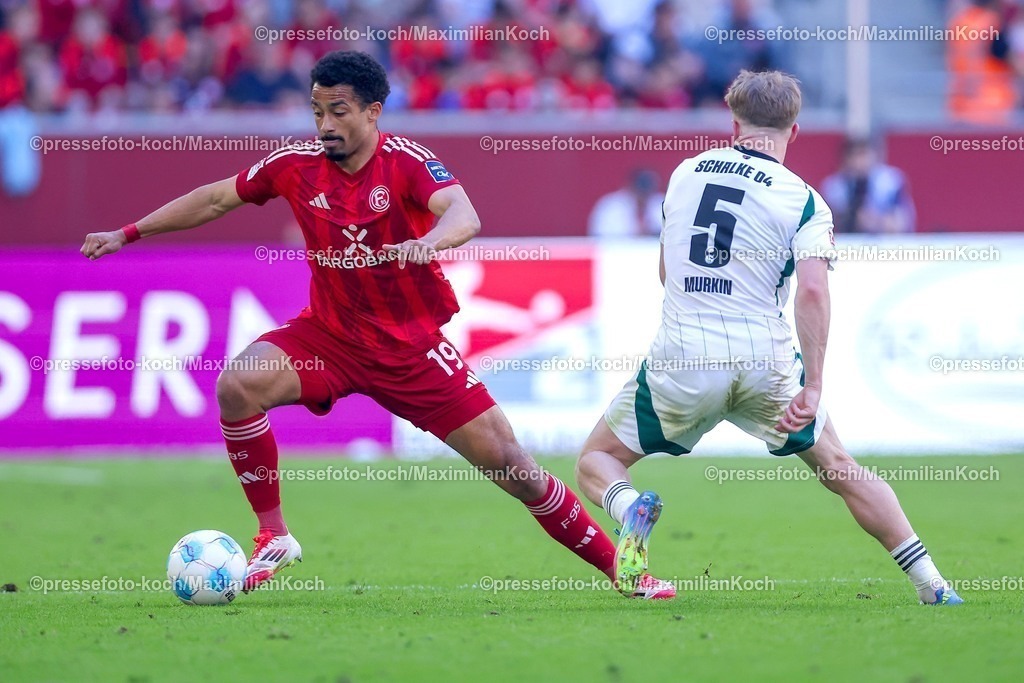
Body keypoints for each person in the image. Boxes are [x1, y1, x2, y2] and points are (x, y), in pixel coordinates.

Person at [80, 50, 675, 600]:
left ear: (371, 110)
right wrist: (127, 233)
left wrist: (431, 241)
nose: (324, 124)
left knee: (514, 468)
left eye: (337, 111)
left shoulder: (408, 164)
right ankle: (273, 535)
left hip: (411, 351)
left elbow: (465, 214)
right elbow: (215, 199)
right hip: (328, 339)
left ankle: (625, 570)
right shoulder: (294, 167)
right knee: (237, 386)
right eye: (316, 110)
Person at [574, 69, 963, 606]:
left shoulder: (685, 174)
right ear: (795, 131)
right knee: (841, 469)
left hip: (686, 356)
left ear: (734, 123)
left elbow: (667, 272)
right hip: (766, 359)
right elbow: (812, 293)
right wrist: (816, 383)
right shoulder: (805, 201)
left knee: (597, 459)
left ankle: (629, 508)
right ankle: (934, 587)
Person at [821, 138, 915, 234]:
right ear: (846, 159)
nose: (860, 162)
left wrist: (876, 221)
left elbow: (902, 224)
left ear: (876, 156)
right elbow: (825, 224)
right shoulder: (834, 186)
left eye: (864, 155)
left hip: (885, 243)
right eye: (855, 156)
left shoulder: (891, 182)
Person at [587, 169, 664, 237]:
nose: (642, 197)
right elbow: (598, 236)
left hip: (653, 251)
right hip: (616, 251)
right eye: (639, 192)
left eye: (647, 193)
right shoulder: (610, 206)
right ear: (630, 187)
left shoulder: (662, 204)